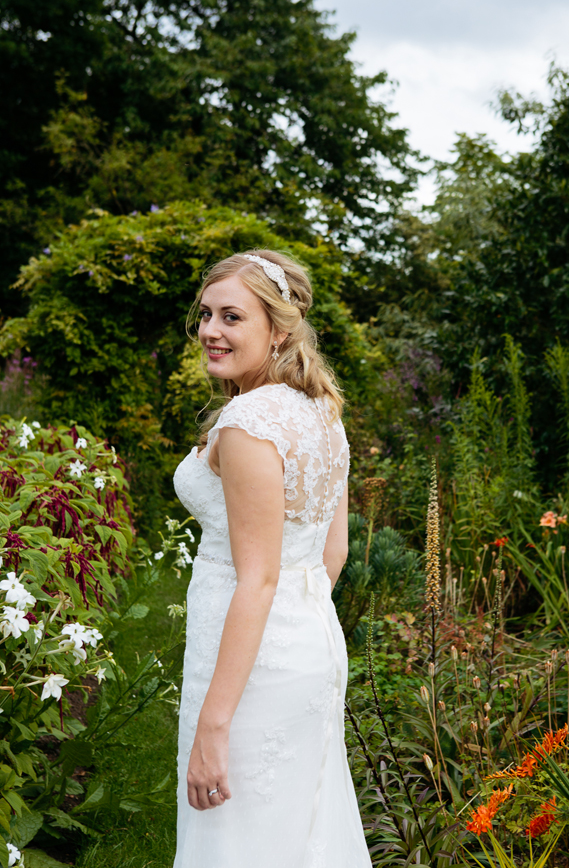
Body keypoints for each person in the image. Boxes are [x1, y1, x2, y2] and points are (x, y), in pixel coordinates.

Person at [172, 250, 372, 868]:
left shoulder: (249, 423)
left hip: (246, 665)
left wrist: (213, 723)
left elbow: (256, 578)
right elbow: (329, 554)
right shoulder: (322, 410)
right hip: (307, 648)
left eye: (232, 316)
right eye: (206, 314)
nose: (210, 330)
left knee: (237, 843)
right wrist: (296, 626)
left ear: (279, 328)